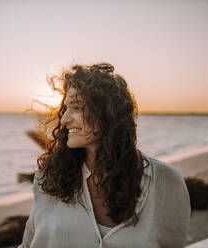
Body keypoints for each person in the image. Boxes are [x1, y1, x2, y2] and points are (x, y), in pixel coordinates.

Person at [19, 63, 190, 248]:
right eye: (66, 108)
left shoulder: (166, 182)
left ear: (108, 113)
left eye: (76, 107)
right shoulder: (49, 178)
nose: (64, 119)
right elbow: (29, 243)